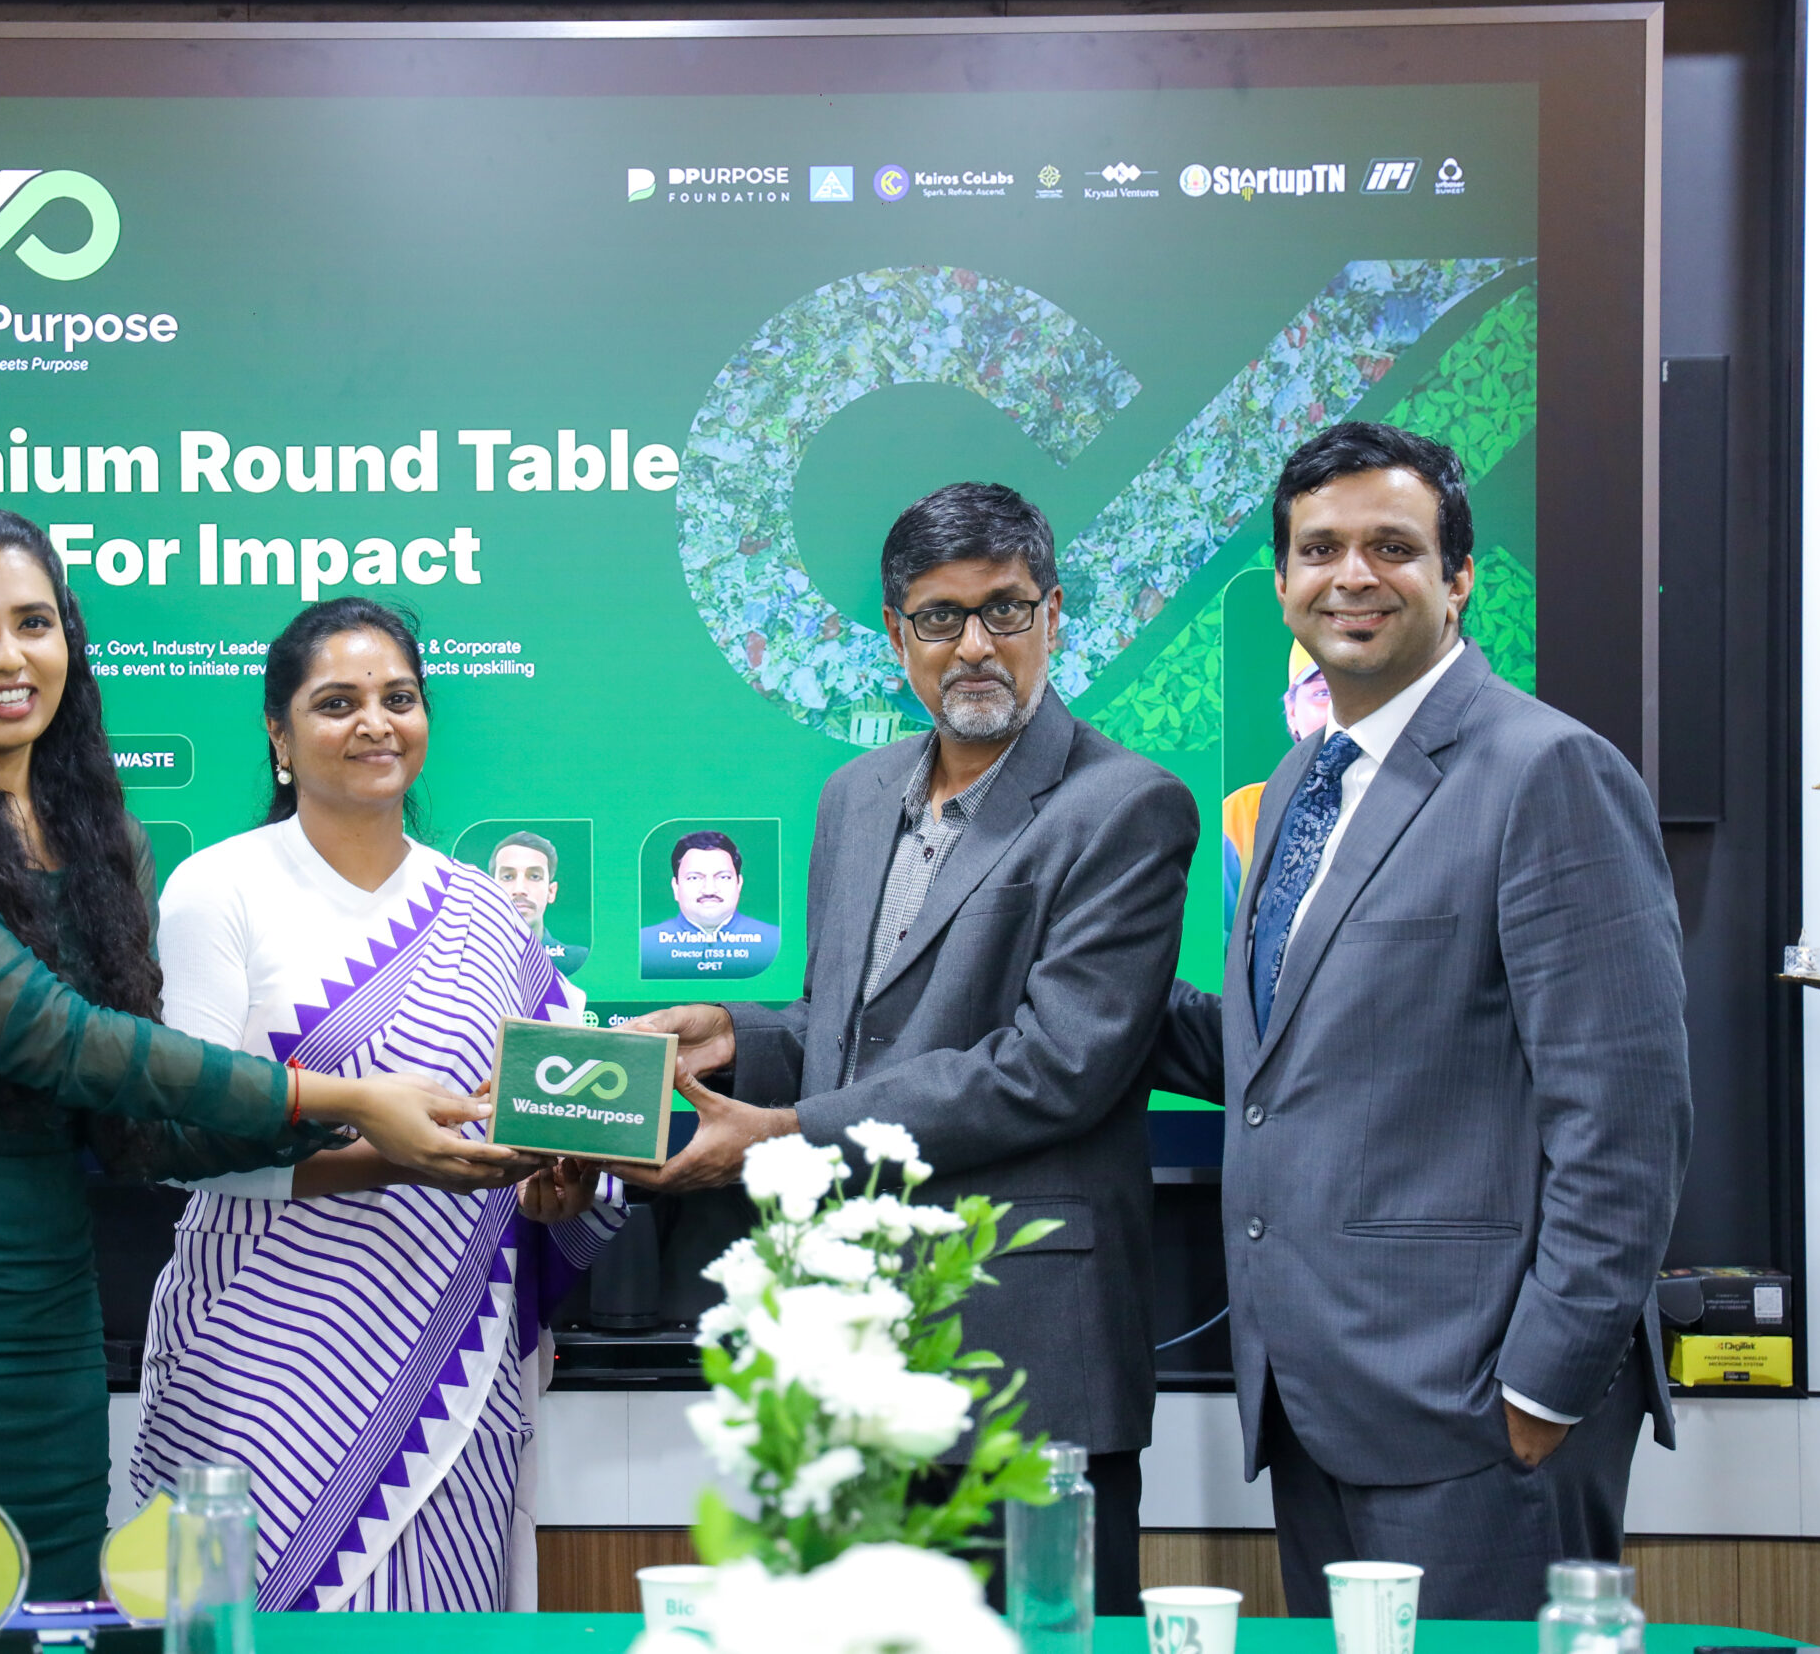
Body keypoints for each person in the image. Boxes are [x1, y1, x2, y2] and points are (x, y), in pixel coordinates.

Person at [0, 510, 509, 1630]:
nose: (8, 657)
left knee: (54, 1617)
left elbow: (136, 1122)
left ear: (69, 639)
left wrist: (406, 1144)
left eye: (34, 623)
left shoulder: (102, 840)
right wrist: (345, 1096)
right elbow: (53, 1038)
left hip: (43, 1308)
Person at [610, 482, 1197, 1616]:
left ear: (1053, 614)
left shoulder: (1126, 806)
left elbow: (1056, 1066)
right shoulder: (856, 794)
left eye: (1004, 609)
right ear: (896, 634)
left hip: (1027, 1355)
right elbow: (853, 1026)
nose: (974, 645)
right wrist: (737, 1033)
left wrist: (786, 1135)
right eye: (940, 616)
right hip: (848, 1351)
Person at [1150, 421, 1690, 1619]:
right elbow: (1280, 1056)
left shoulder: (1546, 771)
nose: (1351, 575)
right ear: (1281, 584)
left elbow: (1625, 1116)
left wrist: (1543, 1387)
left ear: (1458, 579)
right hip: (1316, 1398)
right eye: (1319, 549)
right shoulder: (1299, 784)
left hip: (1480, 1412)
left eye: (1391, 547)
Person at [129, 596, 626, 1612]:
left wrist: (561, 1187)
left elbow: (562, 1122)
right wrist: (393, 1159)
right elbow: (177, 1138)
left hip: (452, 1369)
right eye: (336, 702)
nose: (374, 722)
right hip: (259, 1364)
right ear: (279, 734)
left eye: (398, 698)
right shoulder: (217, 890)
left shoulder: (486, 913)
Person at [1220, 646, 1334, 930]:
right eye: (1323, 692)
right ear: (1291, 712)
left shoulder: (1424, 806)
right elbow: (1204, 943)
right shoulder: (1242, 815)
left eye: (1360, 690)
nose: (1341, 709)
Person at [638, 830, 782, 979]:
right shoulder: (643, 946)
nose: (709, 890)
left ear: (739, 884)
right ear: (676, 887)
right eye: (694, 878)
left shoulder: (776, 942)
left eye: (723, 877)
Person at [491, 829, 589, 974]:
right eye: (508, 877)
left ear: (551, 892)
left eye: (534, 876)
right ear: (491, 890)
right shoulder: (465, 963)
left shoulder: (578, 961)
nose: (520, 889)